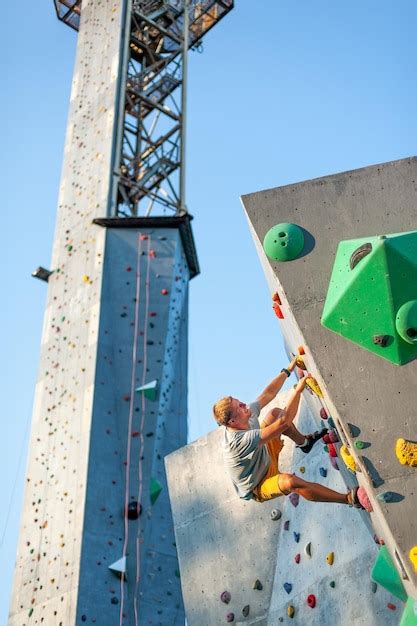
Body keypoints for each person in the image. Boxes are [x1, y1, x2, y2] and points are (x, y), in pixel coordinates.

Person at [212, 356, 363, 508]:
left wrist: (287, 370)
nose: (245, 404)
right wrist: (298, 390)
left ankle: (305, 443)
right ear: (232, 422)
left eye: (240, 402)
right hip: (259, 483)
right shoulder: (239, 441)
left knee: (274, 413)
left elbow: (267, 394)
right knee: (291, 482)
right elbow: (283, 423)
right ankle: (349, 499)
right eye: (240, 406)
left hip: (263, 453)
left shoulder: (245, 416)